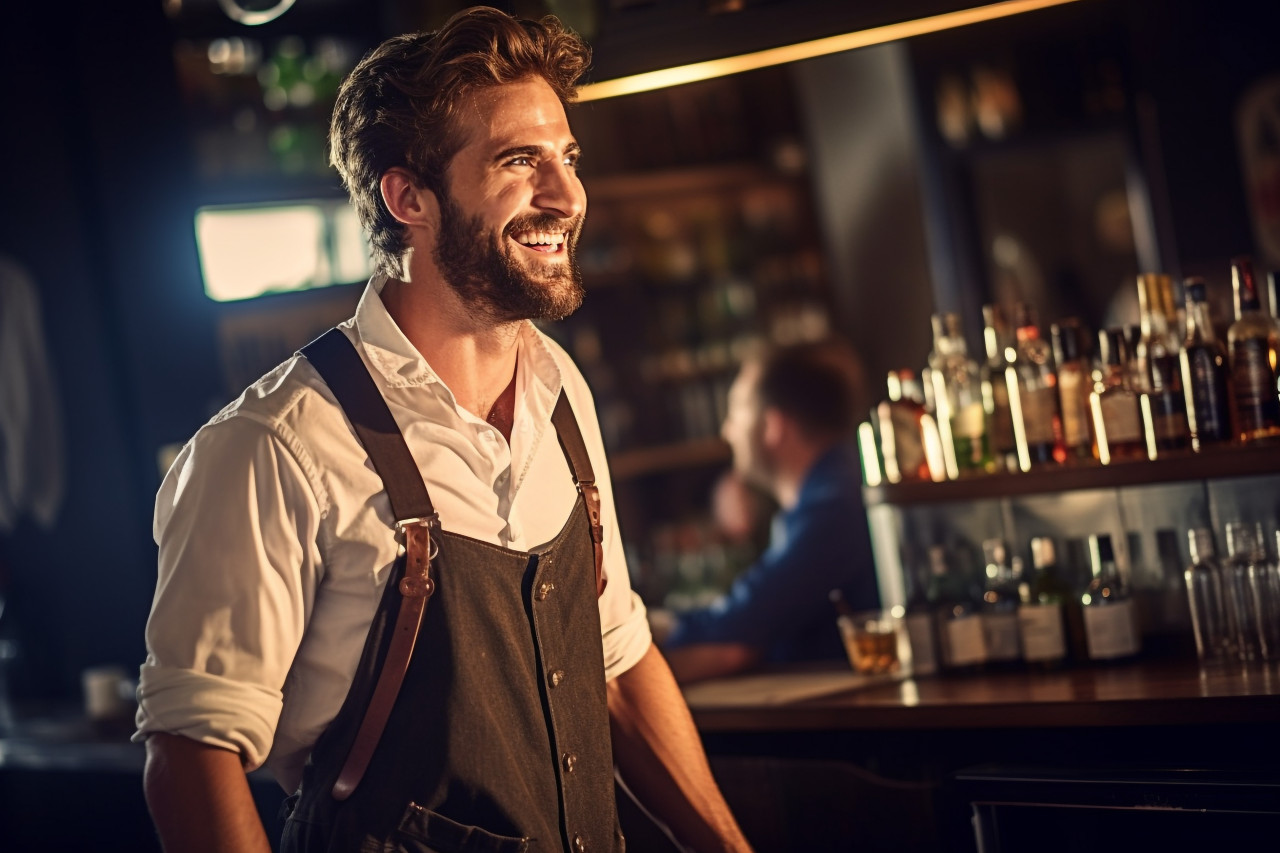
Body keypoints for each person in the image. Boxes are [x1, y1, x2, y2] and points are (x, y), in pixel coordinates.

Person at [135, 8, 752, 852]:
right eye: (518, 161)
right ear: (408, 197)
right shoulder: (275, 444)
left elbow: (614, 658)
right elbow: (189, 755)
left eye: (567, 159)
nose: (567, 195)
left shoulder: (560, 390)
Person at [657, 340, 881, 684]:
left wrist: (647, 635)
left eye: (737, 412)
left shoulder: (832, 506)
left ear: (774, 426)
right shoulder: (836, 485)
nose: (727, 431)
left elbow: (739, 631)